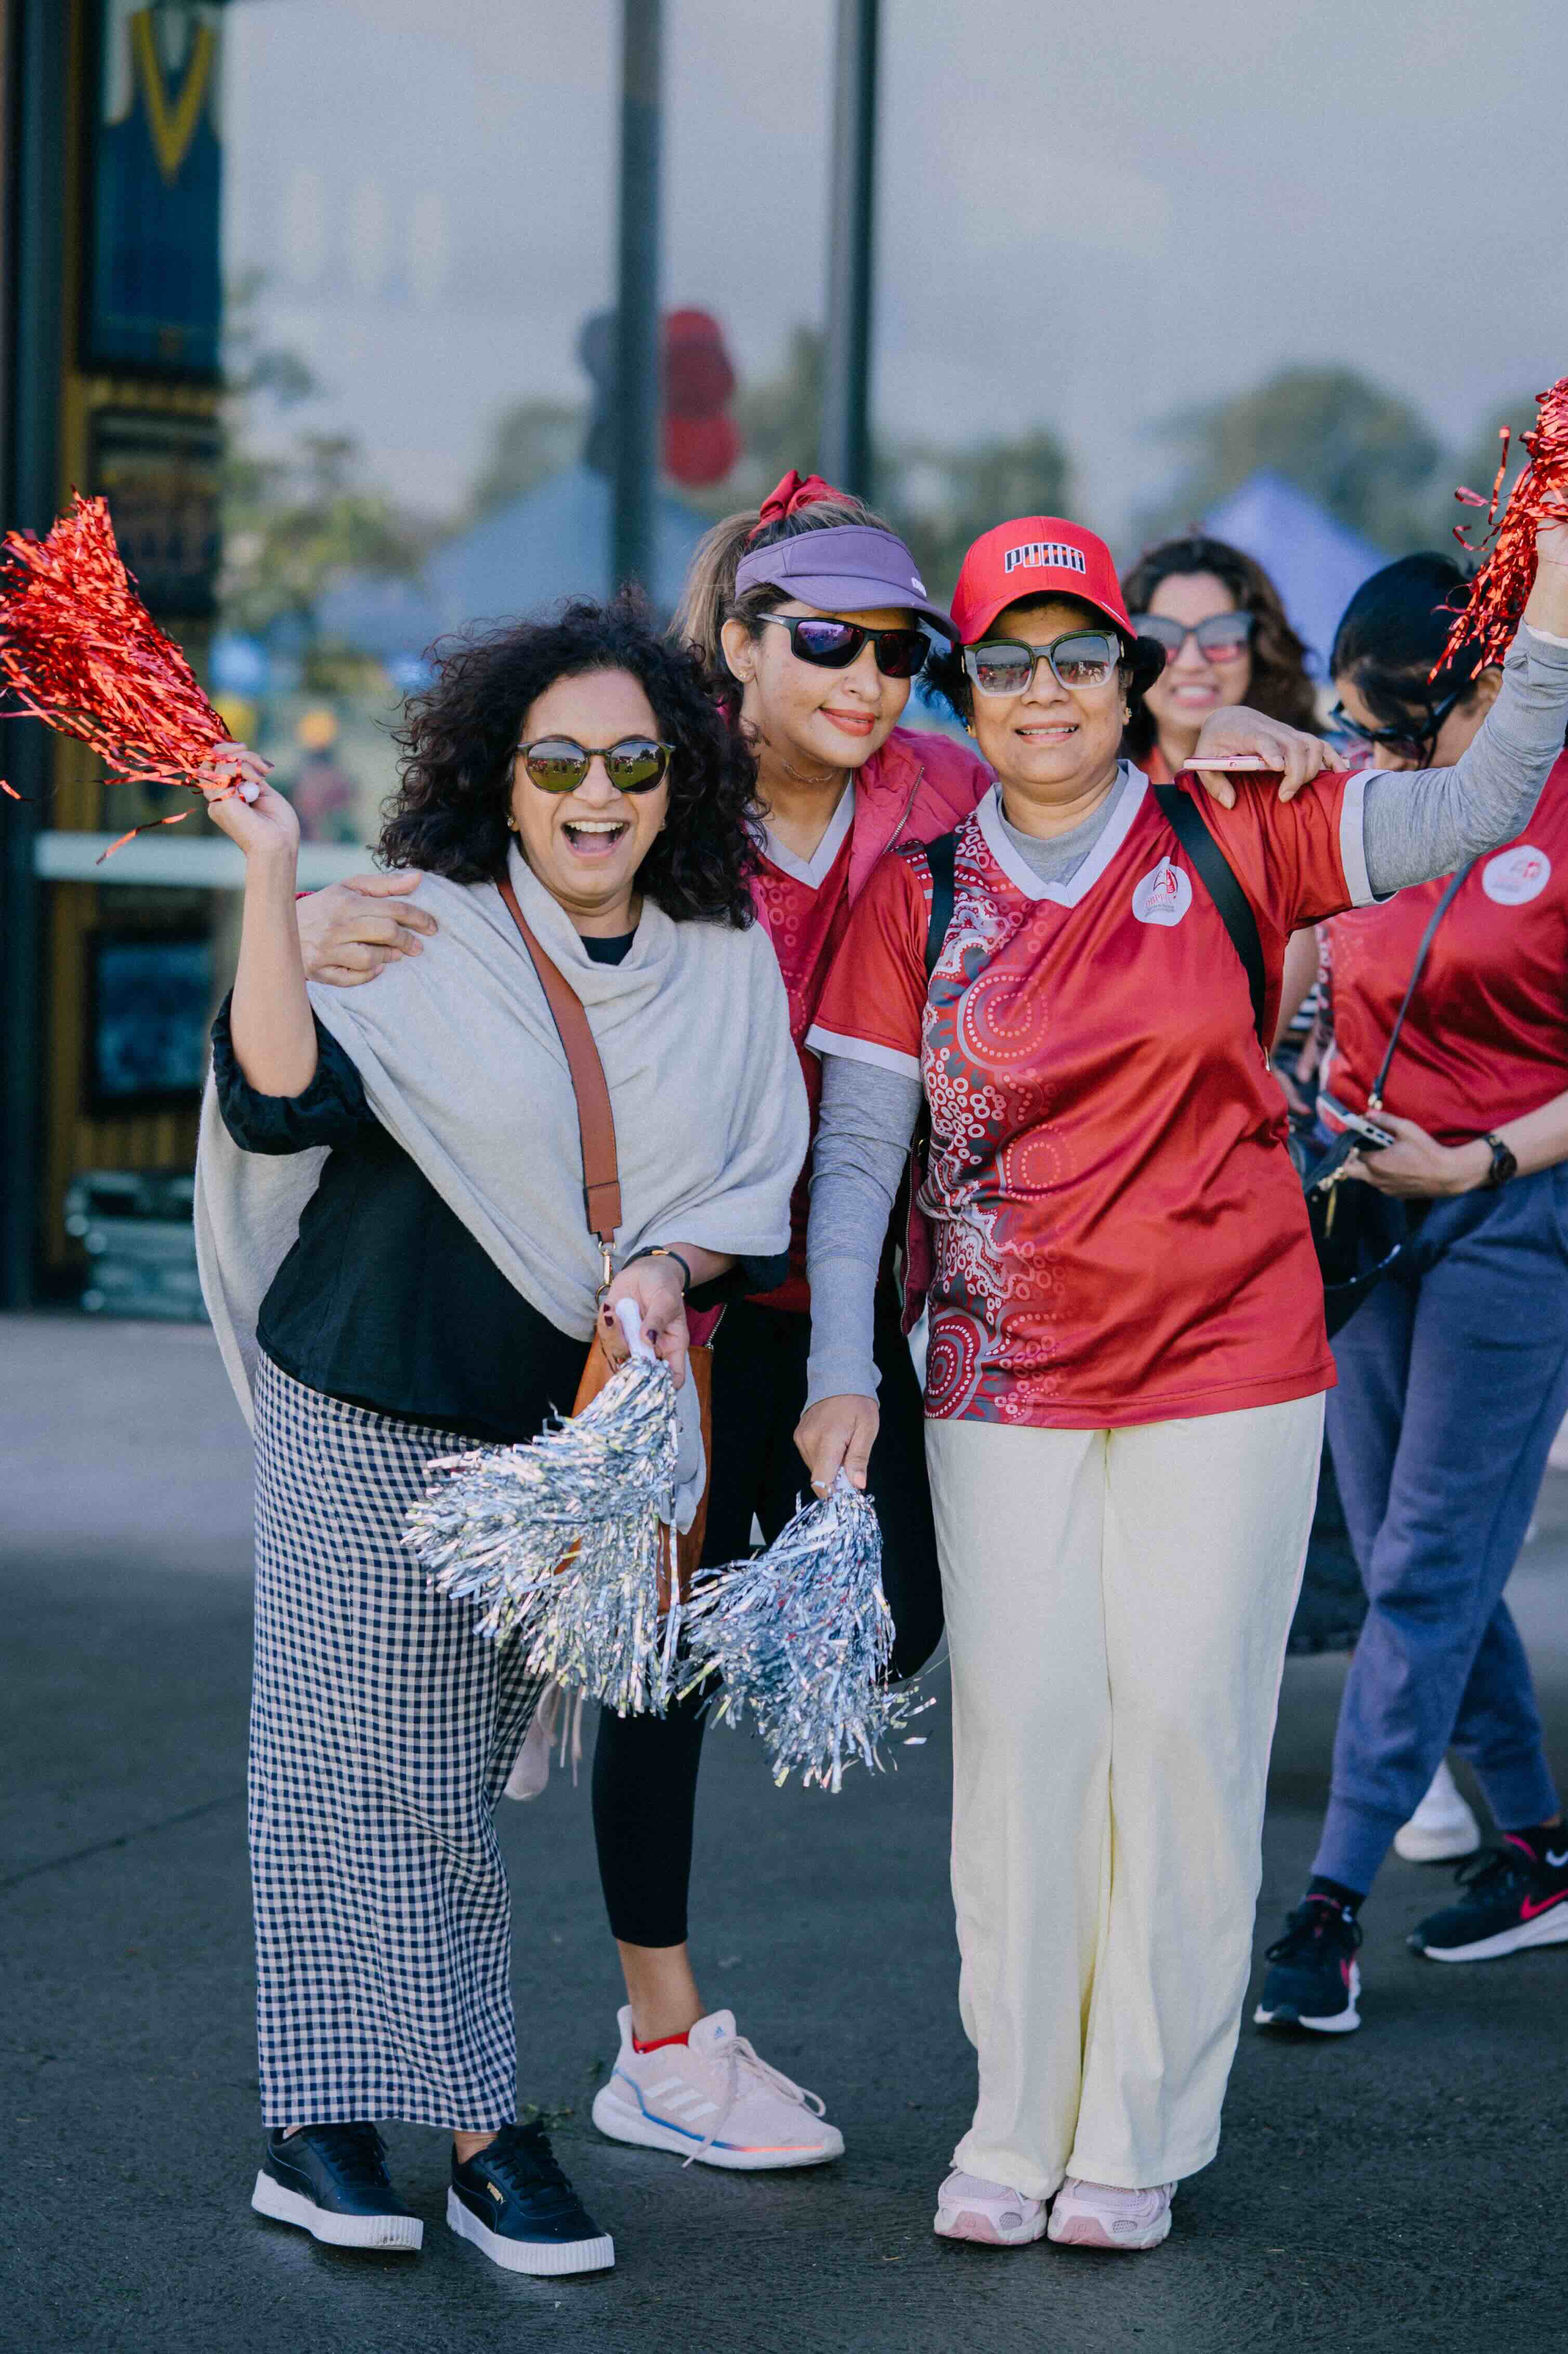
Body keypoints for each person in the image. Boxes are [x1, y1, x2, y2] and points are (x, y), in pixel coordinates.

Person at [291, 474, 1294, 2169]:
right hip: (671, 1306)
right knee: (658, 1668)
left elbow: (1083, 763)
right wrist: (312, 912)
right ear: (736, 650)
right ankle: (662, 2034)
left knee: (899, 1613)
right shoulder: (658, 794)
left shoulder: (939, 778)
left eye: (902, 646)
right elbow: (485, 888)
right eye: (825, 638)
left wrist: (1236, 727)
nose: (867, 673)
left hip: (869, 1303)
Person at [797, 512, 1568, 2252]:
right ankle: (1015, 2112)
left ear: (1128, 679)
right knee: (1025, 1737)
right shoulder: (910, 893)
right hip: (998, 1376)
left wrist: (1557, 582)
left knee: (1179, 1729)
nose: (1047, 690)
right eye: (1010, 661)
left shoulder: (1240, 830)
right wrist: (843, 1355)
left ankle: (1136, 2122)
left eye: (1082, 657)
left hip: (1227, 1358)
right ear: (966, 688)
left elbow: (1473, 800)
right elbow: (859, 1151)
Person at [194, 599, 807, 2274]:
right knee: (393, 1790)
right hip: (363, 1392)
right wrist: (271, 880)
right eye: (557, 761)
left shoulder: (727, 961)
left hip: (558, 1443)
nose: (594, 794)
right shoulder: (423, 927)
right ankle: (485, 2129)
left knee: (387, 1778)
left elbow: (750, 1184)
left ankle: (313, 2126)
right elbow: (275, 1097)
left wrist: (670, 1270)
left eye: (632, 760)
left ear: (678, 778)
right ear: (503, 776)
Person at [1255, 552, 1568, 2034]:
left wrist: (1488, 1155)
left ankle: (1328, 1904)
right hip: (1368, 1199)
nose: (1374, 757)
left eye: (1399, 731)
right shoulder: (1370, 798)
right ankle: (1544, 1848)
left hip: (1517, 1212)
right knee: (1398, 1564)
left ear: (1489, 693)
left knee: (1435, 1562)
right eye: (1355, 726)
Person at [1121, 532, 1320, 784]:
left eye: (1221, 636)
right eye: (1162, 638)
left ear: (1260, 650)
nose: (1191, 663)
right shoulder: (1096, 791)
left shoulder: (1319, 776)